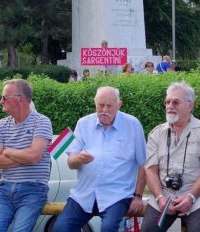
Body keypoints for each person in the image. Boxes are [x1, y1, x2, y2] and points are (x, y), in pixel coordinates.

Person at [53, 87, 146, 232]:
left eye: (109, 106)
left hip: (117, 195)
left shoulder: (132, 124)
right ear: (95, 103)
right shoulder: (83, 123)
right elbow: (71, 162)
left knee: (109, 228)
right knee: (60, 228)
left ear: (119, 105)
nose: (104, 110)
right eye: (100, 105)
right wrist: (78, 159)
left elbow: (143, 163)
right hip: (84, 193)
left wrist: (138, 196)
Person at [141, 82, 200, 232]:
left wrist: (191, 197)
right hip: (165, 195)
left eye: (176, 102)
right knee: (148, 230)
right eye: (167, 102)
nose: (170, 106)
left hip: (198, 197)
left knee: (197, 229)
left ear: (190, 106)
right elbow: (150, 171)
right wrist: (159, 198)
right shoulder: (156, 133)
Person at [0, 79, 53, 232]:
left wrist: (8, 151)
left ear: (19, 99)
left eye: (4, 97)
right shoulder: (1, 124)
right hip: (4, 189)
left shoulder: (42, 122)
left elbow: (34, 156)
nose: (0, 101)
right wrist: (26, 155)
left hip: (33, 189)